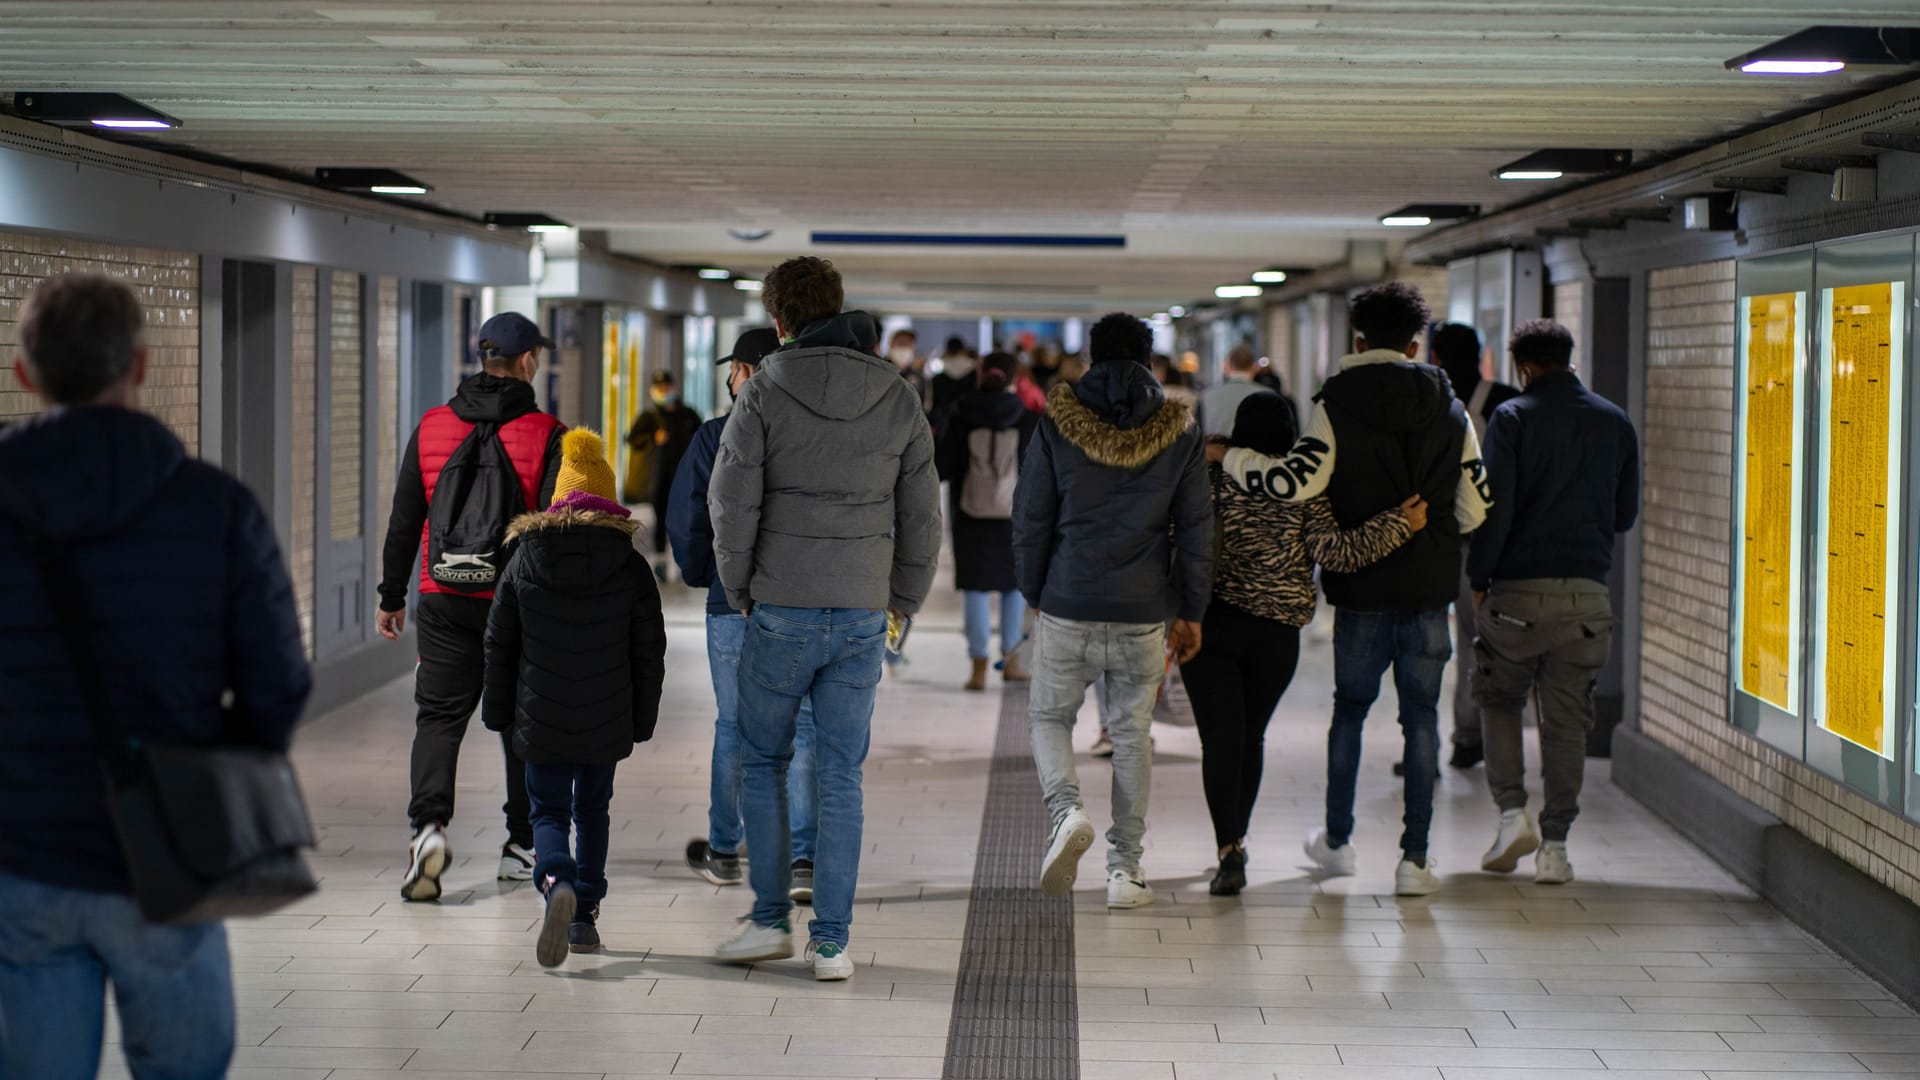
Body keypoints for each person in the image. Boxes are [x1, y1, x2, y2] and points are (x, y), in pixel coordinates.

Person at [0, 273, 311, 1078]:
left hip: (20, 850)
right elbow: (278, 681)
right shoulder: (215, 507)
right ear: (139, 366)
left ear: (25, 373)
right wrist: (213, 773)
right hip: (163, 852)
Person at [1213, 282, 1491, 897]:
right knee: (1421, 721)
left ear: (1358, 340)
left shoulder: (1335, 402)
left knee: (1350, 716)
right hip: (1428, 593)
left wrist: (1231, 459)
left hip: (1361, 591)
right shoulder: (1453, 408)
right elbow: (1475, 508)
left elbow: (1296, 483)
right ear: (1418, 344)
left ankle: (1338, 844)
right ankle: (1414, 860)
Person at [708, 257, 940, 980]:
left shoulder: (764, 390)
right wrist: (902, 598)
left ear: (779, 322)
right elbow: (921, 515)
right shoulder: (898, 396)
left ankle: (772, 920)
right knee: (841, 773)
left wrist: (740, 587)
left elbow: (731, 501)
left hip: (781, 604)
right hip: (863, 612)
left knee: (763, 761)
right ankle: (832, 942)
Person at [1182, 391, 1425, 896]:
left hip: (1212, 626)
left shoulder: (1208, 477)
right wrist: (1400, 523)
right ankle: (1237, 841)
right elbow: (1335, 552)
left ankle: (1230, 849)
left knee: (1221, 741)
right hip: (1276, 635)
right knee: (1250, 738)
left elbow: (1175, 538)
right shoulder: (1303, 487)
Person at [1015, 312, 1211, 911]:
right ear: (1151, 360)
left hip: (1069, 598)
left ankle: (1067, 810)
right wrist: (1191, 609)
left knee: (1050, 718)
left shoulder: (1056, 425)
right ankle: (1125, 870)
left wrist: (1035, 592)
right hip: (1144, 608)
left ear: (1090, 359)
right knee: (1132, 736)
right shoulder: (1180, 432)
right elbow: (1198, 530)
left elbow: (1031, 519)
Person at [377, 310, 566, 901]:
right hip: (516, 601)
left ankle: (429, 829)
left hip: (442, 595)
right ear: (528, 360)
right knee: (519, 721)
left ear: (481, 358)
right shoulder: (547, 433)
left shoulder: (432, 426)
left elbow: (406, 518)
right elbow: (556, 533)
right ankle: (519, 844)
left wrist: (391, 595)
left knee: (438, 717)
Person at [481, 429, 666, 967]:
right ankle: (583, 916)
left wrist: (497, 712)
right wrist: (642, 717)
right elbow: (649, 650)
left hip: (539, 715)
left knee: (548, 810)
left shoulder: (523, 559)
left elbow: (499, 643)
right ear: (608, 501)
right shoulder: (631, 566)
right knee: (594, 808)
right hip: (606, 716)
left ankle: (555, 875)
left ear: (558, 500)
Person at [1470, 319, 1639, 886]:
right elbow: (1623, 516)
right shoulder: (1614, 421)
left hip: (1516, 592)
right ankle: (1557, 847)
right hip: (1586, 599)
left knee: (1499, 699)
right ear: (1570, 357)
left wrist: (1479, 574)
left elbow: (1496, 506)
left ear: (1522, 366)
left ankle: (1513, 814)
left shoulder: (1512, 417)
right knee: (1567, 723)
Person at [668, 327, 822, 902]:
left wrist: (701, 575)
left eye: (733, 368)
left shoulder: (714, 436)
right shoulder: (807, 432)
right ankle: (803, 859)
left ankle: (726, 851)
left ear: (749, 370)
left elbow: (689, 517)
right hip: (797, 598)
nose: (730, 378)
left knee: (735, 726)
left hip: (730, 602)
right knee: (802, 725)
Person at [1431, 322, 1520, 770]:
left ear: (1435, 358)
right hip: (1497, 542)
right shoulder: (1506, 399)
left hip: (1441, 541)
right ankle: (1485, 736)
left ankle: (1459, 738)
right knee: (1490, 640)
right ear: (1481, 353)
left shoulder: (1432, 403)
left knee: (1451, 642)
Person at [937, 350, 1041, 691]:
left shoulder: (961, 413)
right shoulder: (1028, 419)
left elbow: (944, 465)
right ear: (1014, 378)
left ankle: (978, 666)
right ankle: (1011, 662)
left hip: (970, 514)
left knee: (975, 590)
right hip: (1015, 516)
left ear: (981, 374)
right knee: (1013, 588)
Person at [624, 371, 702, 563]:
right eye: (659, 388)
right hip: (659, 478)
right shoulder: (649, 418)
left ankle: (681, 555)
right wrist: (653, 438)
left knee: (683, 517)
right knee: (662, 517)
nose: (663, 391)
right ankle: (661, 557)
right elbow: (632, 439)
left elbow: (701, 438)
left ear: (673, 388)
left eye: (666, 387)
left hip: (684, 476)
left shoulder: (688, 415)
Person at [1200, 345, 1264, 439]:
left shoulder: (1207, 396)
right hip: (1255, 452)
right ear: (1253, 368)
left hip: (1218, 452)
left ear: (1227, 366)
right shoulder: (1268, 395)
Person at [927, 336, 977, 440]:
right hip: (968, 425)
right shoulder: (974, 373)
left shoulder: (938, 375)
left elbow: (933, 404)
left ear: (947, 350)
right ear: (963, 350)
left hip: (943, 428)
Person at [886, 327, 929, 407]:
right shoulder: (880, 371)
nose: (903, 348)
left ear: (913, 348)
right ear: (891, 345)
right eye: (900, 343)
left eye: (907, 344)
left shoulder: (918, 378)